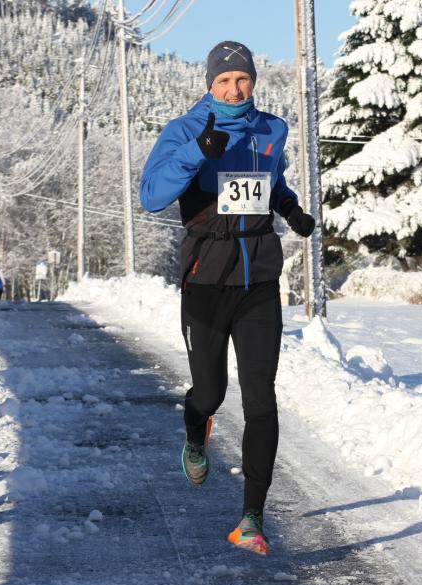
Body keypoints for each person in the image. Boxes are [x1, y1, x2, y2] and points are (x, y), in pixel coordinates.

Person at [139, 41, 315, 556]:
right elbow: (151, 196)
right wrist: (200, 152)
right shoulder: (184, 130)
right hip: (206, 280)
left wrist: (290, 207)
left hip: (259, 279)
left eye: (242, 80)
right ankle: (196, 430)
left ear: (253, 82)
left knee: (261, 397)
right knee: (210, 392)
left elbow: (270, 180)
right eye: (223, 81)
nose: (234, 89)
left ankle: (252, 518)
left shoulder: (271, 129)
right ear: (209, 84)